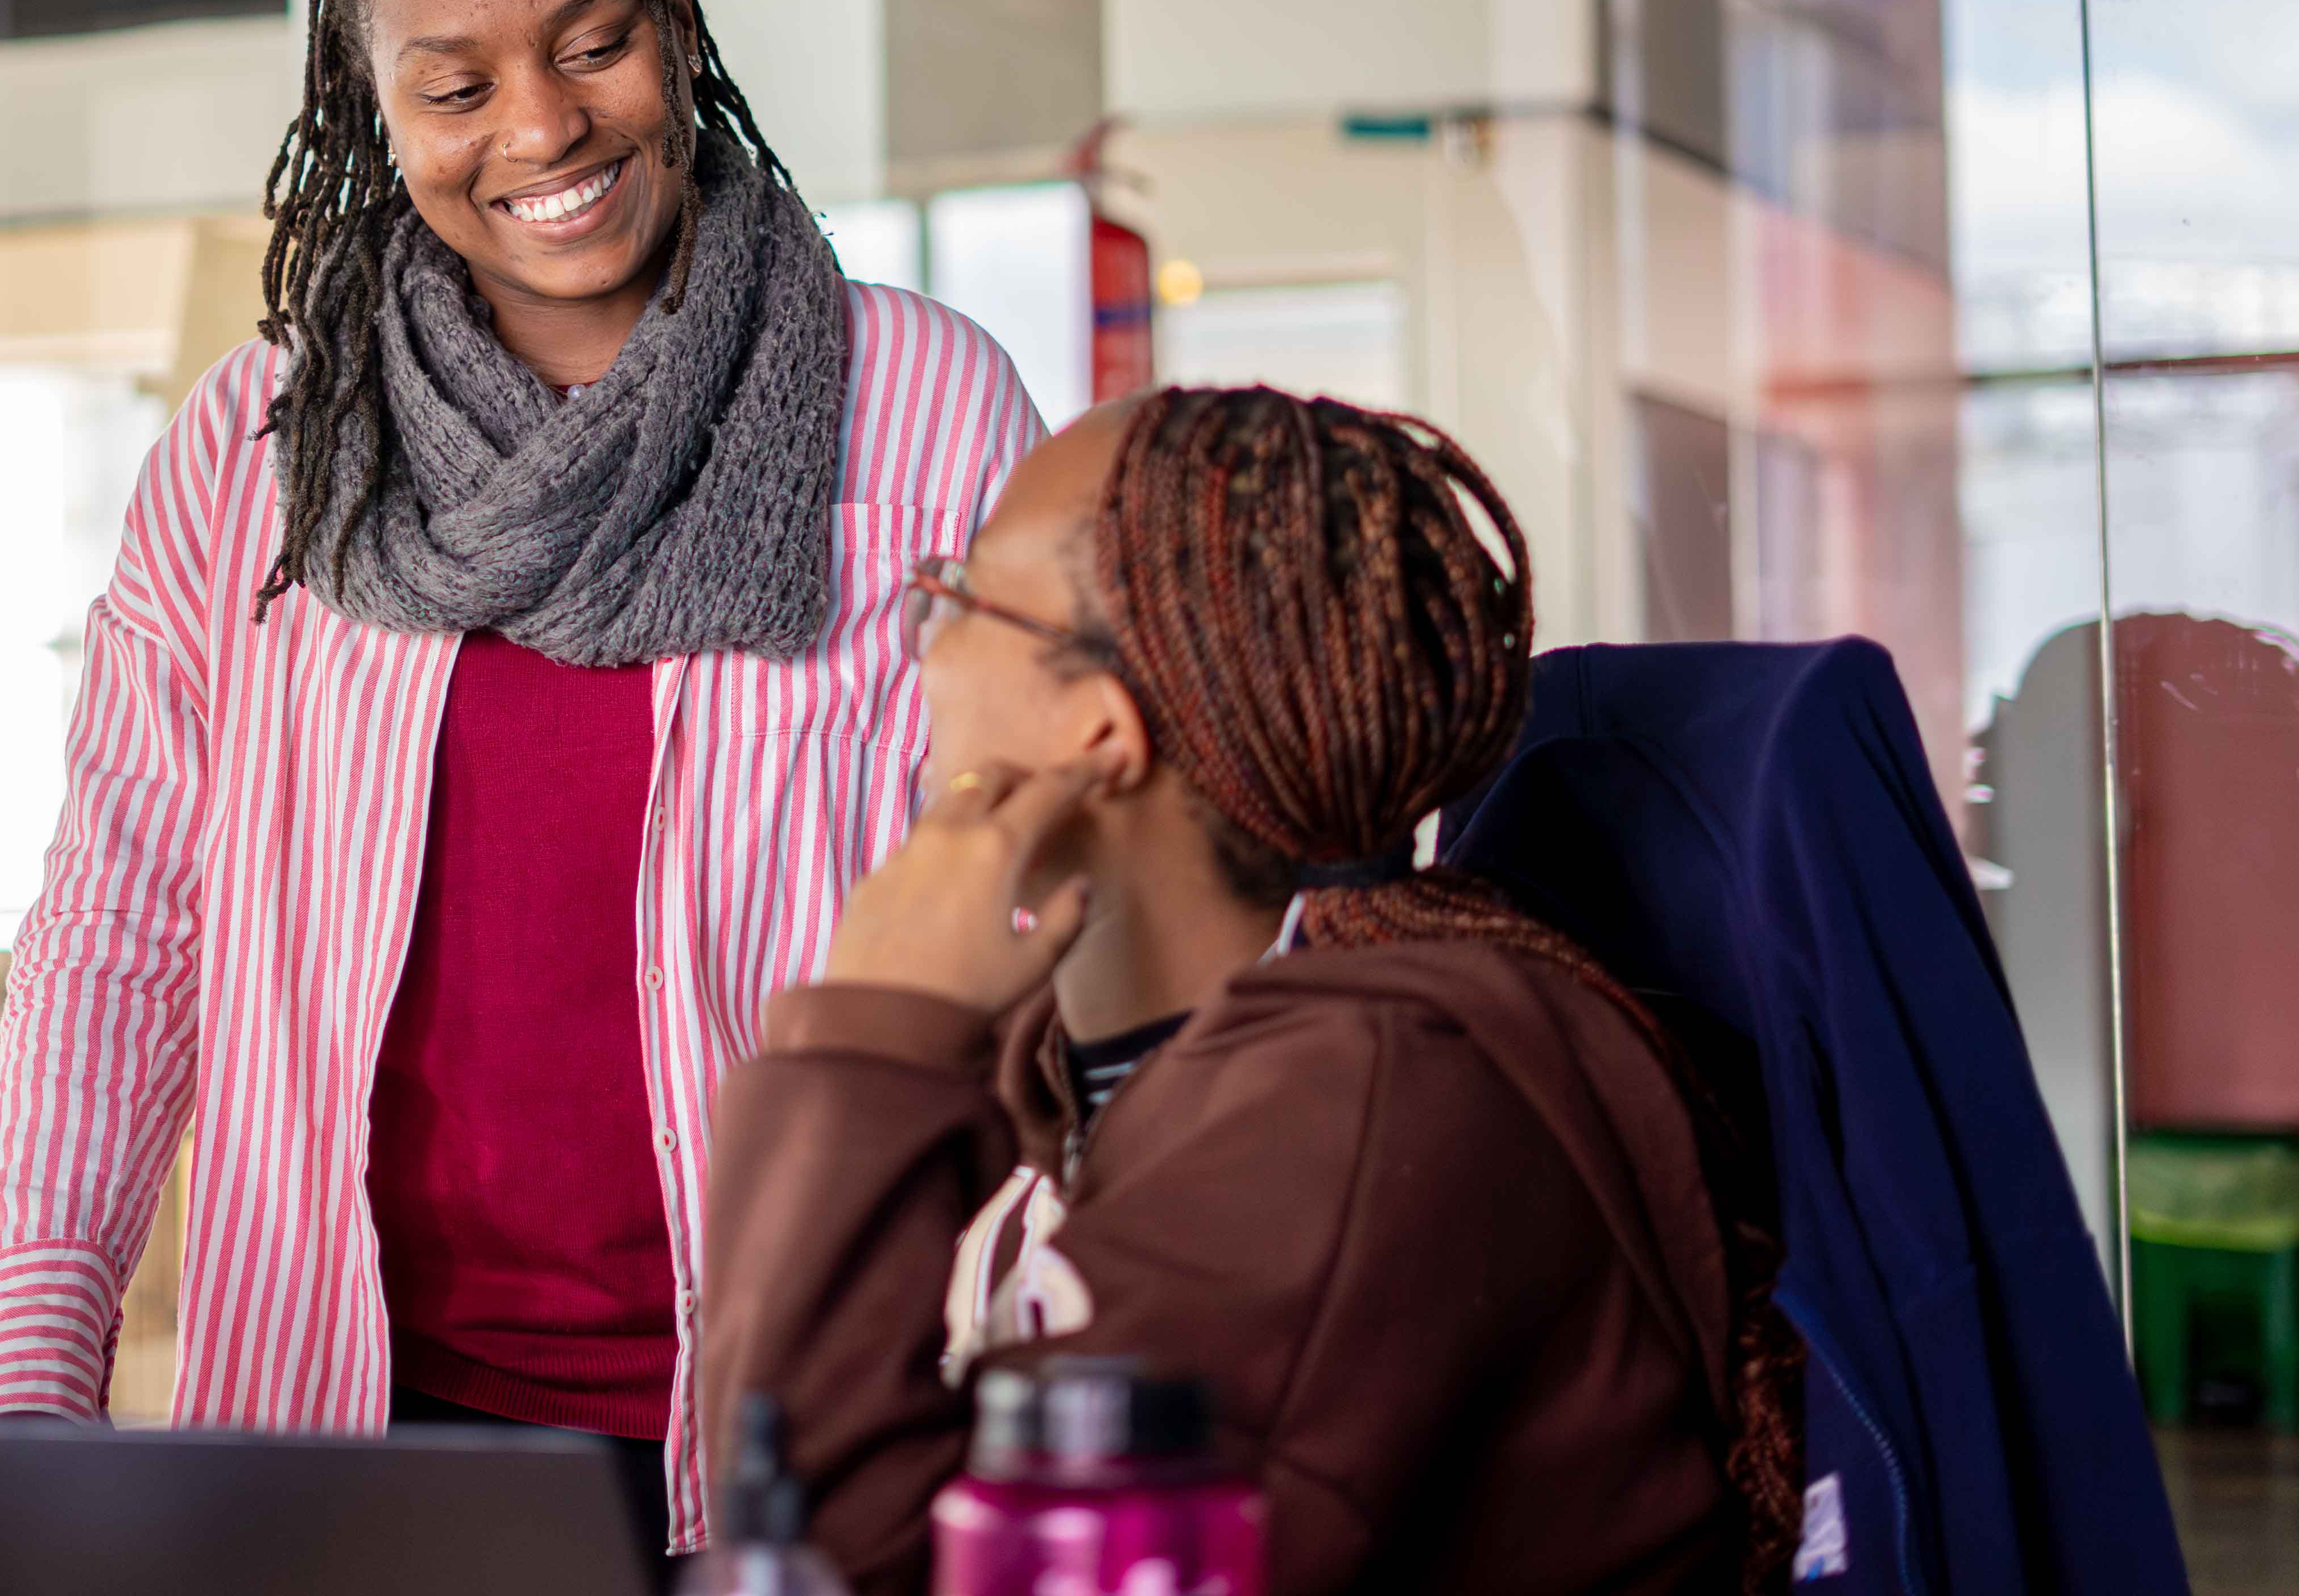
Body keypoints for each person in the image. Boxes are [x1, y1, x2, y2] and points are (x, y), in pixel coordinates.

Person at [0, 0, 1043, 1556]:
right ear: (375, 117)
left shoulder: (919, 407)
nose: (540, 128)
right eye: (455, 89)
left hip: (807, 1436)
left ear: (672, 23)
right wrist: (19, 1393)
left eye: (590, 42)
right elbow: (123, 925)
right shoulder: (266, 454)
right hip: (344, 1438)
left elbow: (1037, 899)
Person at [697, 387, 1803, 1596]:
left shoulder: (1359, 1110)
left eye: (959, 595)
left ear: (1098, 732)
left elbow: (823, 1559)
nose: (921, 637)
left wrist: (870, 1035)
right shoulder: (1114, 1078)